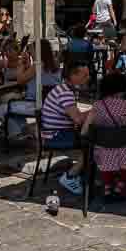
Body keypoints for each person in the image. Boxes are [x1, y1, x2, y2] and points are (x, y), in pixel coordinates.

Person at [85, 71, 126, 199]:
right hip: (125, 151)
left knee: (105, 153)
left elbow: (85, 130)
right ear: (123, 89)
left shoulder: (97, 106)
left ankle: (107, 186)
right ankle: (120, 185)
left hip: (102, 151)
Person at [42, 62, 91, 195]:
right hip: (56, 135)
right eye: (84, 75)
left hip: (57, 131)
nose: (87, 78)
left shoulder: (66, 89)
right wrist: (95, 110)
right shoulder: (65, 92)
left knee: (91, 139)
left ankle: (84, 174)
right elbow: (78, 119)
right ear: (73, 75)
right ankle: (70, 176)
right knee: (94, 145)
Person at [0, 40, 59, 139]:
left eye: (32, 51)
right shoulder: (54, 65)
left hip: (35, 104)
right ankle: (22, 130)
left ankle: (19, 131)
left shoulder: (38, 65)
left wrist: (21, 63)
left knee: (0, 108)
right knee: (9, 103)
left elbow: (20, 80)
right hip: (50, 104)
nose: (30, 53)